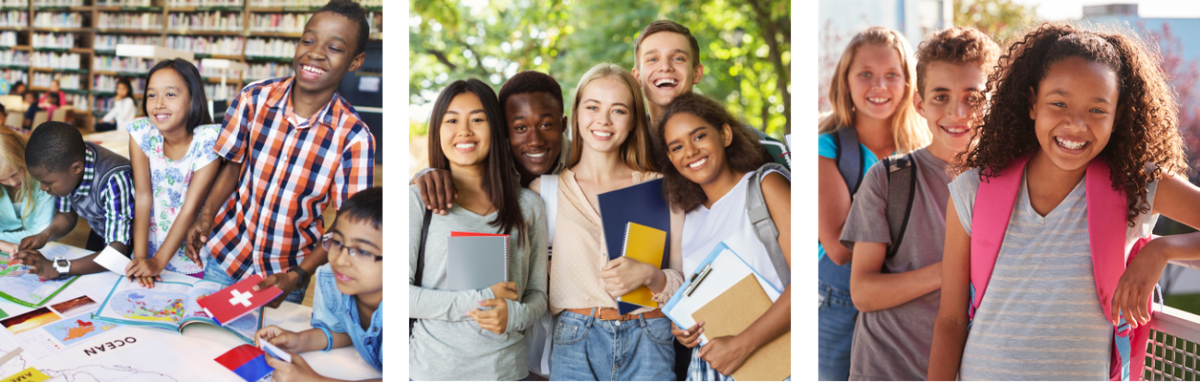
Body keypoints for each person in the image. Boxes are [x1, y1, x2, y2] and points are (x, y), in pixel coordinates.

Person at [927, 23, 1200, 381]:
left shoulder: (1137, 185)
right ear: (1032, 103)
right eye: (1059, 103)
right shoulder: (973, 190)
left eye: (1097, 110)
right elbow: (950, 321)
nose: (1076, 124)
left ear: (1118, 116)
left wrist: (1161, 250)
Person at [185, 0, 376, 307]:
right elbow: (232, 167)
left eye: (334, 48)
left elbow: (346, 223)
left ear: (355, 61)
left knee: (267, 339)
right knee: (204, 330)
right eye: (308, 41)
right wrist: (205, 217)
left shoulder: (355, 138)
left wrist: (298, 275)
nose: (315, 53)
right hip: (226, 254)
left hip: (285, 275)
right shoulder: (252, 99)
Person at [839, 26, 999, 381]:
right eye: (941, 96)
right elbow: (862, 292)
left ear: (993, 102)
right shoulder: (888, 178)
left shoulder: (1008, 184)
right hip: (884, 371)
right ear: (920, 104)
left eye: (973, 97)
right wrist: (952, 271)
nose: (958, 112)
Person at [526, 63, 684, 381]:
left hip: (649, 340)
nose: (603, 120)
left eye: (618, 110)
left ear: (634, 120)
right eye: (593, 107)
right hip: (575, 341)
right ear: (576, 113)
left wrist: (650, 275)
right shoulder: (545, 191)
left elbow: (685, 282)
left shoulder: (661, 188)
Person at [407, 79, 547, 382]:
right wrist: (482, 299)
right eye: (452, 120)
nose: (465, 131)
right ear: (437, 130)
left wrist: (516, 315)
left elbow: (537, 293)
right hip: (433, 372)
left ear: (495, 128)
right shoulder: (417, 200)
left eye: (478, 119)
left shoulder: (529, 206)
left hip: (507, 372)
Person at [814, 26, 929, 382]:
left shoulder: (923, 151)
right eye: (865, 74)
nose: (879, 86)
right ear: (845, 81)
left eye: (892, 75)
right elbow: (838, 247)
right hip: (836, 303)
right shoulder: (826, 148)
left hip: (905, 300)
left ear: (908, 83)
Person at [655, 94, 791, 382]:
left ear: (725, 134)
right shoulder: (688, 216)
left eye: (699, 136)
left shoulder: (766, 185)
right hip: (710, 369)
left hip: (776, 362)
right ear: (670, 158)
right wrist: (684, 328)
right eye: (677, 147)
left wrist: (743, 345)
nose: (690, 151)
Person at [257, 187, 384, 382]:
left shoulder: (416, 312)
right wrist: (299, 340)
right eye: (337, 242)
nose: (340, 260)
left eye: (362, 251)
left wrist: (312, 380)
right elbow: (343, 329)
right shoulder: (333, 279)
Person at [630, 19, 790, 169]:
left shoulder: (756, 144)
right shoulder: (624, 146)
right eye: (652, 59)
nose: (665, 67)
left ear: (697, 73)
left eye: (678, 58)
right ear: (637, 77)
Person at [411, 70, 569, 215]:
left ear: (563, 124)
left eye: (546, 125)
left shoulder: (579, 159)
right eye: (520, 128)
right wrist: (421, 175)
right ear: (503, 129)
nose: (535, 141)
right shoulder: (491, 157)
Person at [124, 60, 222, 287]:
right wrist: (141, 258)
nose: (159, 104)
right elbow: (143, 197)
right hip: (150, 250)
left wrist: (158, 261)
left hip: (191, 257)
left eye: (170, 94)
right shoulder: (142, 133)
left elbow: (191, 207)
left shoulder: (208, 139)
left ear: (193, 99)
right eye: (151, 95)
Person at [8, 122, 134, 280]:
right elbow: (66, 216)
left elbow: (117, 252)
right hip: (100, 234)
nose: (43, 188)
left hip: (129, 246)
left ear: (76, 168)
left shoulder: (115, 179)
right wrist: (43, 236)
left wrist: (57, 268)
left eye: (48, 182)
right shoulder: (66, 165)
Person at [0, 127, 54, 252]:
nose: (13, 182)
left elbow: (40, 232)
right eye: (2, 179)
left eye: (16, 172)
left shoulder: (43, 182)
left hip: (41, 247)